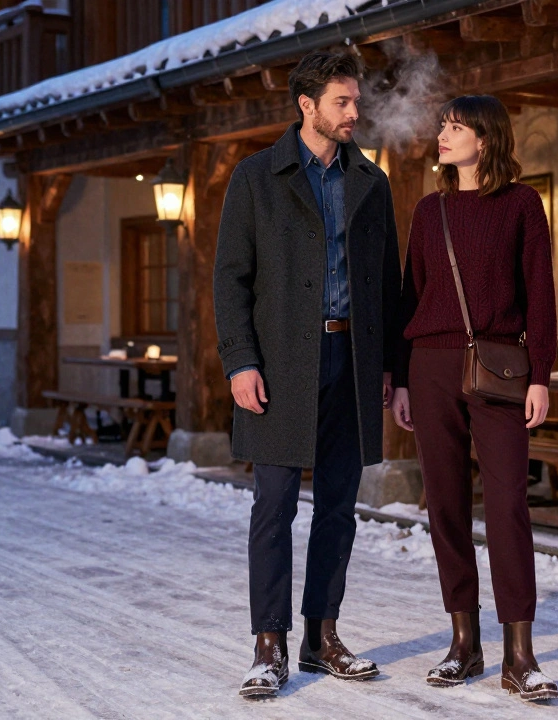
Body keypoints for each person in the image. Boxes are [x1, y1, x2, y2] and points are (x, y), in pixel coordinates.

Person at [214, 50, 401, 699]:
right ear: (307, 105)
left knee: (339, 508)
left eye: (356, 101)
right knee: (274, 506)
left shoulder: (371, 182)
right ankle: (269, 644)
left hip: (351, 362)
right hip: (278, 365)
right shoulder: (256, 177)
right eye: (341, 102)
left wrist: (390, 366)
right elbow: (230, 279)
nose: (354, 112)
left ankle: (323, 637)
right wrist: (240, 360)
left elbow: (387, 283)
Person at [389, 94, 558, 701]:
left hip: (499, 368)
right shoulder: (428, 210)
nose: (443, 134)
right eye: (443, 125)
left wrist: (541, 375)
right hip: (429, 367)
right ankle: (464, 641)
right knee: (445, 506)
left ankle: (521, 654)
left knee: (508, 504)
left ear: (485, 139)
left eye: (456, 127)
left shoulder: (521, 204)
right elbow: (410, 297)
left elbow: (540, 293)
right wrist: (400, 378)